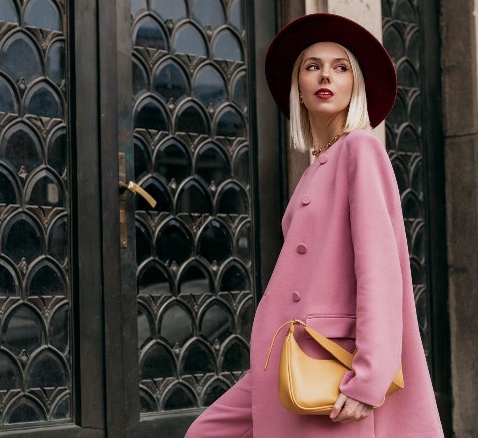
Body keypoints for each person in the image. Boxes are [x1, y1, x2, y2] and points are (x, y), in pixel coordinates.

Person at [186, 13, 443, 437]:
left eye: (341, 67)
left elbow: (380, 271)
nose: (326, 75)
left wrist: (370, 376)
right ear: (299, 90)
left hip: (329, 360)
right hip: (280, 359)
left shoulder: (361, 149)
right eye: (313, 66)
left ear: (355, 85)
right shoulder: (316, 167)